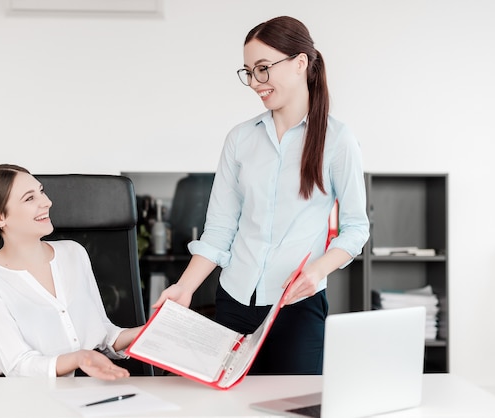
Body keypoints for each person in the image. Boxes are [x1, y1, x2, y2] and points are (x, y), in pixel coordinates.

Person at [153, 16, 370, 375]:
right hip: (233, 299)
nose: (255, 82)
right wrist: (184, 288)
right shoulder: (240, 139)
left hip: (298, 304)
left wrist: (317, 271)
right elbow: (220, 229)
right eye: (249, 72)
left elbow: (355, 228)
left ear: (300, 63)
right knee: (229, 404)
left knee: (295, 406)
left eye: (263, 69)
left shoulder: (337, 139)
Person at [0, 164, 140, 378]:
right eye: (29, 198)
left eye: (41, 191)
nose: (47, 202)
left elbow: (102, 332)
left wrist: (144, 332)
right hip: (37, 400)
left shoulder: (74, 253)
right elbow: (17, 365)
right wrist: (78, 359)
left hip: (96, 387)